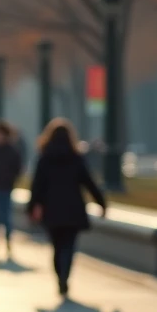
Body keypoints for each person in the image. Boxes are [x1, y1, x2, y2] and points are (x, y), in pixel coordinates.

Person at [28, 119, 107, 297]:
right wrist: (101, 202)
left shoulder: (45, 158)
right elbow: (89, 182)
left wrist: (32, 207)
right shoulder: (76, 158)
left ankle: (60, 276)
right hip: (73, 210)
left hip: (52, 210)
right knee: (69, 246)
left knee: (56, 247)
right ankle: (65, 275)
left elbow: (37, 186)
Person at [0, 120, 23, 261]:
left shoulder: (12, 151)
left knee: (6, 219)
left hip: (6, 189)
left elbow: (18, 168)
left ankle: (8, 243)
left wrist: (11, 179)